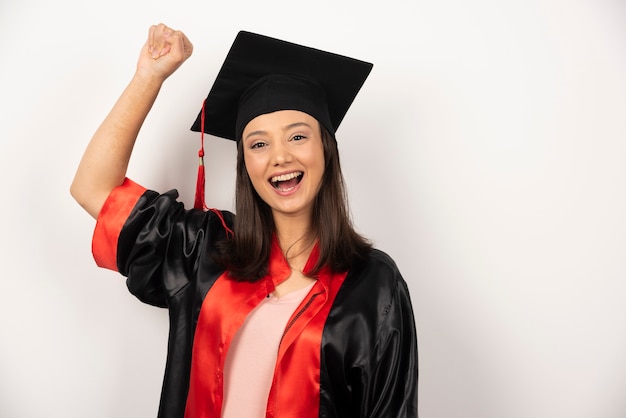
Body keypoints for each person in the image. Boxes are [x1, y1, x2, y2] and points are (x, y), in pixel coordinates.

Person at [71, 23, 418, 418]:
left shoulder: (374, 284)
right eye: (258, 144)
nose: (280, 157)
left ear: (326, 150)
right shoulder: (205, 248)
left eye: (298, 137)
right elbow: (93, 189)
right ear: (246, 165)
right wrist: (149, 77)